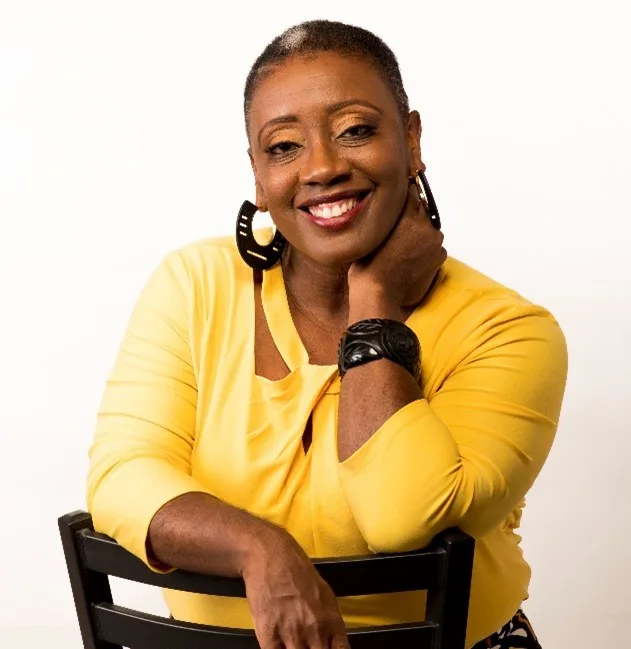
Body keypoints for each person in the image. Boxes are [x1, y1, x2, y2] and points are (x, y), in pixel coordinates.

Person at [87, 19, 567, 649]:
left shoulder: (508, 331)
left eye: (355, 131)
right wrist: (259, 548)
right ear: (258, 175)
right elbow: (122, 476)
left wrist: (373, 305)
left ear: (412, 140)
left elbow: (401, 518)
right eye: (284, 146)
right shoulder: (195, 285)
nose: (322, 167)